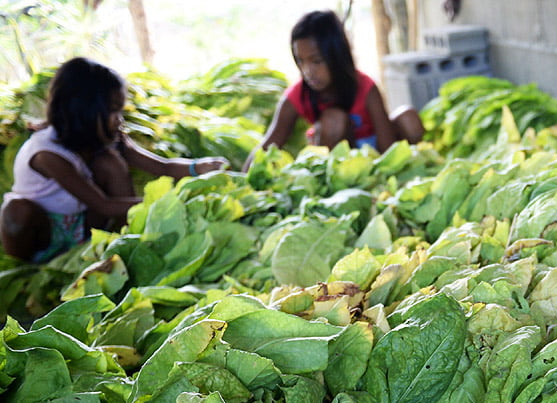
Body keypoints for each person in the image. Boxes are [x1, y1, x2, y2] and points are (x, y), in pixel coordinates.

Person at [0, 57, 228, 263]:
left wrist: (200, 168)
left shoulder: (103, 136)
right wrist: (173, 201)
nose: (119, 120)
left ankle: (126, 237)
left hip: (81, 224)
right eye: (113, 111)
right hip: (45, 232)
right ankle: (30, 264)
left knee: (110, 161)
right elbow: (103, 205)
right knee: (16, 210)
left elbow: (161, 166)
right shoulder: (46, 155)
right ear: (84, 112)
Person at [244, 9, 424, 171]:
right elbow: (268, 145)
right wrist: (241, 179)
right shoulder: (298, 95)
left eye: (316, 61)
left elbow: (387, 145)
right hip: (339, 165)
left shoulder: (366, 87)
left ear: (337, 56)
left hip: (374, 150)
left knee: (409, 118)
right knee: (334, 121)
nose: (308, 72)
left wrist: (386, 178)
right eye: (301, 61)